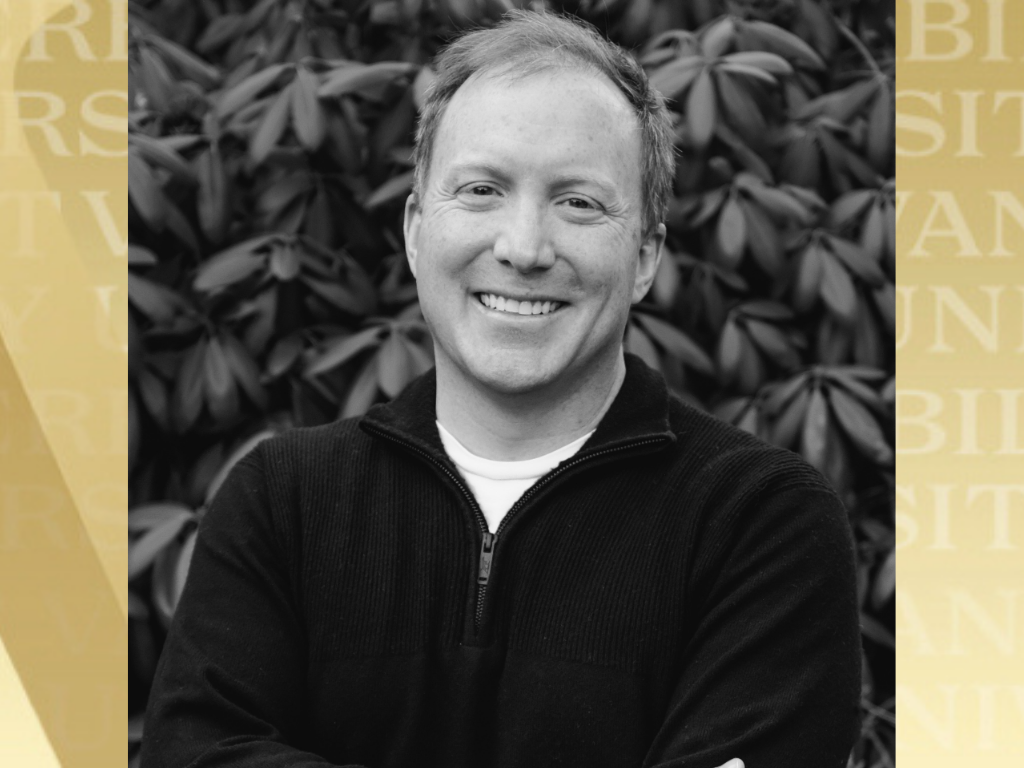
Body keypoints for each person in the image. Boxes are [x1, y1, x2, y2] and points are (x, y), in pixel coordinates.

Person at [141, 11, 861, 768]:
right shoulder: (282, 501)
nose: (522, 248)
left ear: (645, 256)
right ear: (417, 231)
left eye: (578, 202)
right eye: (482, 189)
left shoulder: (759, 523)